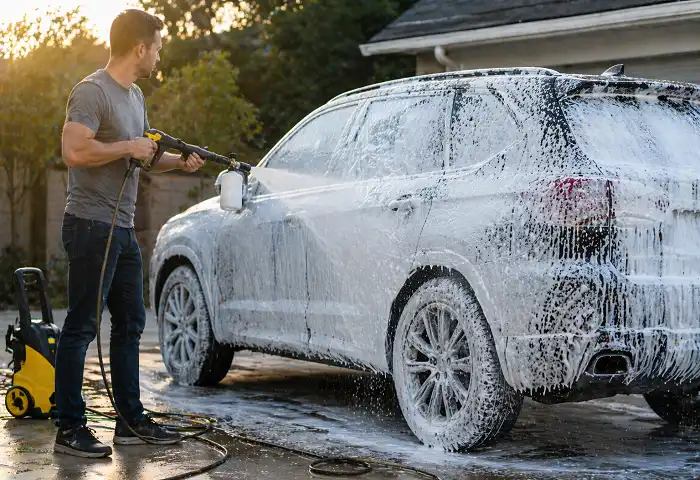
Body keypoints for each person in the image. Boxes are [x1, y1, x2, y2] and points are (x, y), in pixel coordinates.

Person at [55, 9, 205, 458]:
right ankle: (69, 428)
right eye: (157, 45)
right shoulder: (90, 91)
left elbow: (140, 155)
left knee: (132, 324)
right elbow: (73, 150)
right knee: (82, 327)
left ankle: (129, 421)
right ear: (140, 47)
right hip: (89, 225)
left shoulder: (136, 95)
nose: (160, 54)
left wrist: (179, 162)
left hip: (122, 228)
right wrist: (127, 146)